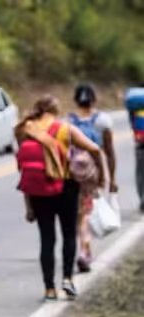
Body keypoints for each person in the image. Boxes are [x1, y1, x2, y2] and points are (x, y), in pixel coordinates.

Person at [17, 96, 104, 301]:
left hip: (38, 191)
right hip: (66, 187)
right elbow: (95, 148)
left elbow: (24, 168)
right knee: (68, 235)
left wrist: (28, 204)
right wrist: (95, 172)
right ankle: (67, 280)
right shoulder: (65, 129)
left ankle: (49, 289)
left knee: (47, 238)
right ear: (56, 110)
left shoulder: (26, 130)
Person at [69, 84, 117, 272]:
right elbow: (110, 152)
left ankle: (78, 249)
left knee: (76, 214)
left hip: (70, 174)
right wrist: (110, 179)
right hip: (90, 176)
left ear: (75, 101)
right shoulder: (103, 121)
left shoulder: (68, 122)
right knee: (86, 214)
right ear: (94, 100)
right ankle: (84, 251)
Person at [126, 83, 144, 212]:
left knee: (141, 173)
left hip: (141, 142)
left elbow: (132, 121)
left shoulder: (134, 103)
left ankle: (143, 200)